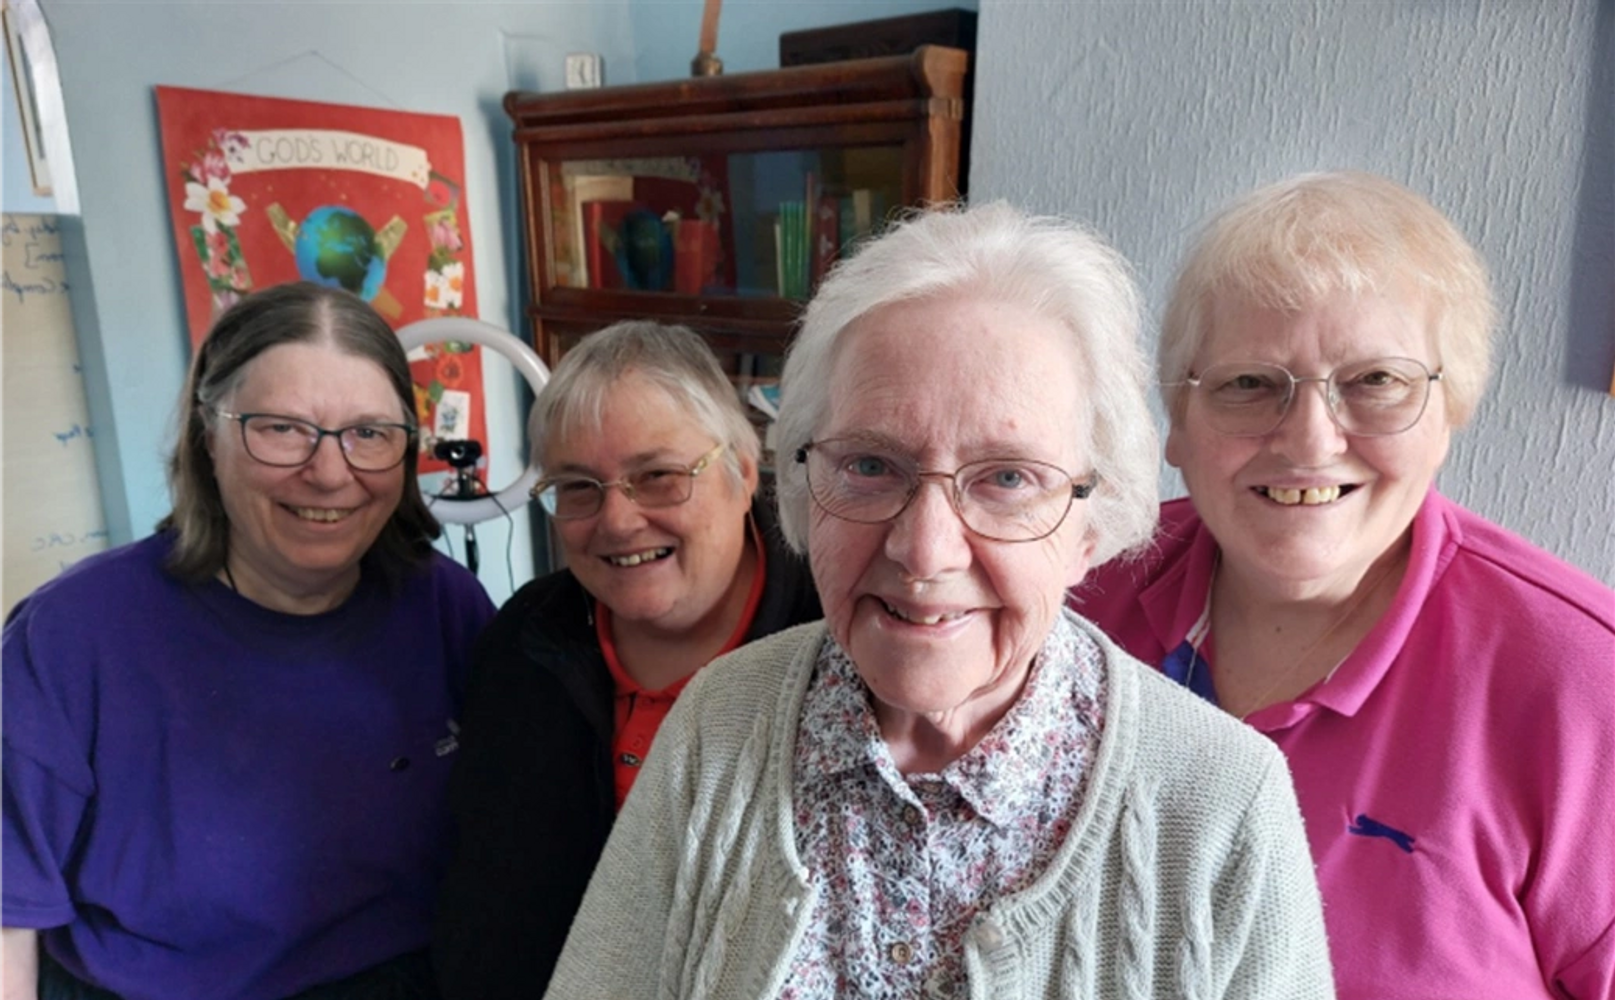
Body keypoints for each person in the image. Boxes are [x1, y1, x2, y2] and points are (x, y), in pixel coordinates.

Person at [542, 203, 1335, 999]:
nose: (923, 550)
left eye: (1007, 478)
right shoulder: (719, 724)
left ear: (1089, 526)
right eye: (870, 466)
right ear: (807, 483)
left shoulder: (1223, 798)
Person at [1073, 171, 1615, 999]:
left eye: (1373, 382)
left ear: (1451, 406)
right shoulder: (1076, 593)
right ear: (1174, 424)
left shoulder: (1583, 684)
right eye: (1248, 383)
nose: (1309, 441)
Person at [0, 282, 496, 1000]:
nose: (329, 474)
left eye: (369, 434)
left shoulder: (445, 608)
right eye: (282, 428)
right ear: (210, 435)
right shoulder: (70, 640)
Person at [431, 321, 821, 999]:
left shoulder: (832, 637)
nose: (616, 520)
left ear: (742, 470)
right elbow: (486, 911)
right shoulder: (523, 643)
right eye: (579, 486)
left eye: (659, 476)